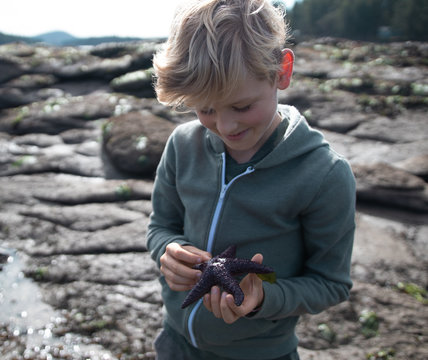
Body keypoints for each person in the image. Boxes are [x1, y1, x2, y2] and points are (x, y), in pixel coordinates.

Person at [146, 0, 357, 359]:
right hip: (176, 342)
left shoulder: (324, 175)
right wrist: (167, 252)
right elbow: (161, 226)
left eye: (242, 106)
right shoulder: (183, 145)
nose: (226, 127)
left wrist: (263, 298)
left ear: (282, 71)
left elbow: (330, 284)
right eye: (206, 109)